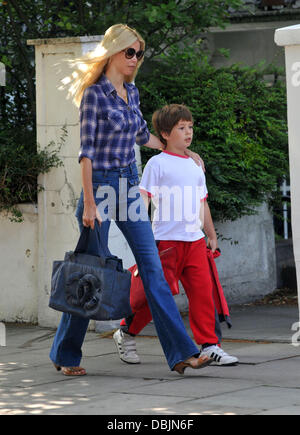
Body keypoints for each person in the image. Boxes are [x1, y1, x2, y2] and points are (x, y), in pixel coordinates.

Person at [49, 24, 213, 376]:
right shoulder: (95, 95)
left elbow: (142, 135)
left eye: (139, 53)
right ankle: (66, 354)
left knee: (153, 269)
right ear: (113, 52)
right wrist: (90, 203)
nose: (135, 59)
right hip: (102, 189)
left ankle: (182, 353)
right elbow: (87, 153)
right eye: (130, 52)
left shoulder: (132, 92)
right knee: (89, 275)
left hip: (129, 187)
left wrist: (183, 150)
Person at [114, 104, 239, 367]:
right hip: (165, 242)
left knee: (203, 294)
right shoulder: (156, 164)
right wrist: (142, 235)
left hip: (194, 241)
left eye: (190, 127)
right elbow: (144, 199)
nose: (188, 132)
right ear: (165, 133)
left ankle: (209, 346)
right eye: (181, 128)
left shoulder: (195, 164)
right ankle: (126, 332)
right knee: (156, 295)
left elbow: (202, 202)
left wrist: (211, 234)